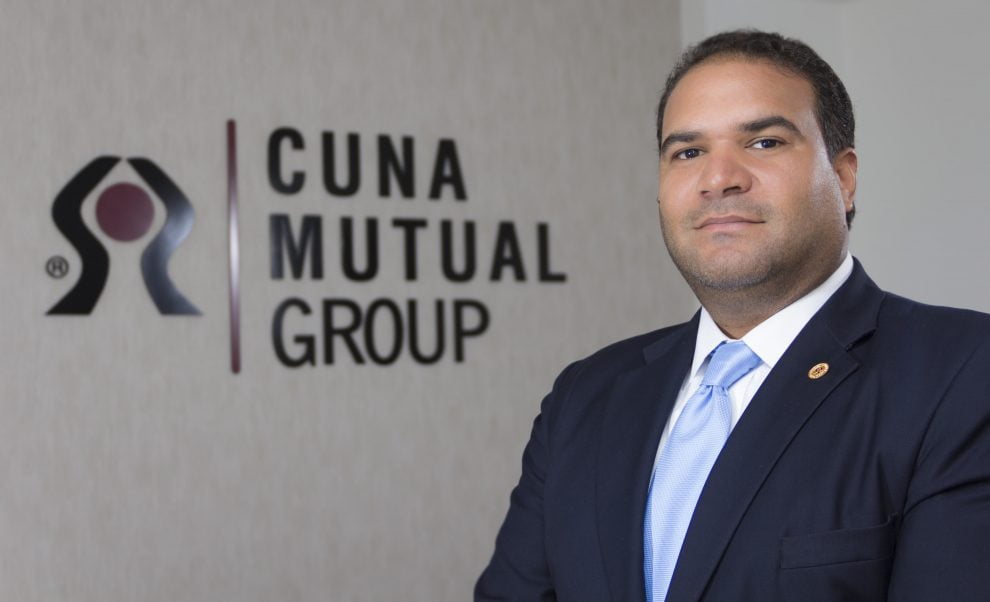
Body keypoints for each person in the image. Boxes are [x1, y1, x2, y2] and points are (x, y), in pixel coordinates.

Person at [475, 29, 990, 601]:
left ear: (843, 178)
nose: (719, 178)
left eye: (764, 142)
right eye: (688, 152)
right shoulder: (585, 396)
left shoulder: (964, 373)